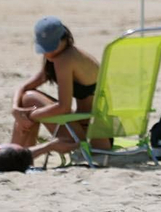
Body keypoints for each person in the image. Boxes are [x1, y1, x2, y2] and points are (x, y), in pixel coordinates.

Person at [11, 17, 103, 156]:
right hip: (91, 131)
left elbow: (63, 107)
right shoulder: (67, 55)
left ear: (65, 39)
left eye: (52, 47)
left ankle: (13, 154)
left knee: (29, 101)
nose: (48, 53)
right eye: (45, 48)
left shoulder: (65, 59)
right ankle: (16, 154)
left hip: (88, 137)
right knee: (27, 99)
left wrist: (30, 116)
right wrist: (15, 109)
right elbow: (24, 87)